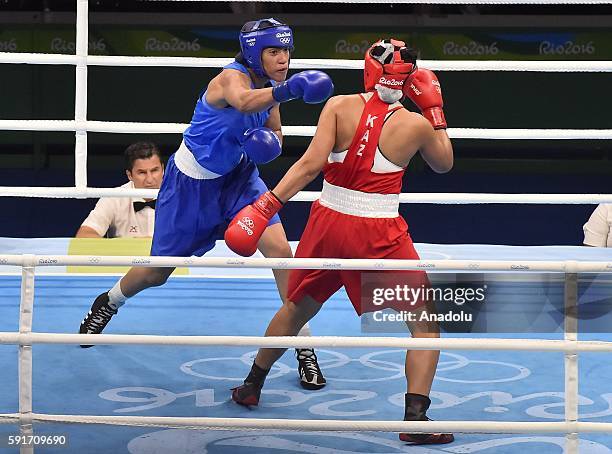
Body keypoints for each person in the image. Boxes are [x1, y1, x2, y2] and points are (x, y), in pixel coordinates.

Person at [78, 18, 334, 390]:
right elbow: (245, 101)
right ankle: (109, 301)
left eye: (286, 51)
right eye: (274, 51)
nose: (283, 59)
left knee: (281, 253)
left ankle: (304, 346)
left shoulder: (274, 85)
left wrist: (270, 143)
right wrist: (291, 90)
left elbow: (277, 130)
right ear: (252, 52)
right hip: (191, 187)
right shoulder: (228, 79)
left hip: (239, 180)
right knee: (157, 271)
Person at [225, 39, 454, 444]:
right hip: (377, 232)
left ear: (368, 69)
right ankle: (415, 420)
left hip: (327, 222)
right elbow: (444, 163)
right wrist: (434, 111)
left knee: (297, 306)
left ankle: (251, 386)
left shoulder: (337, 106)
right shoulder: (415, 125)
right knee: (425, 325)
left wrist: (265, 207)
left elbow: (310, 165)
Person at [76, 142, 163, 238]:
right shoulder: (114, 198)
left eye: (154, 170)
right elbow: (84, 235)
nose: (149, 179)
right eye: (142, 172)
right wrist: (130, 247)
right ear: (129, 175)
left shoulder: (179, 196)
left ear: (163, 169)